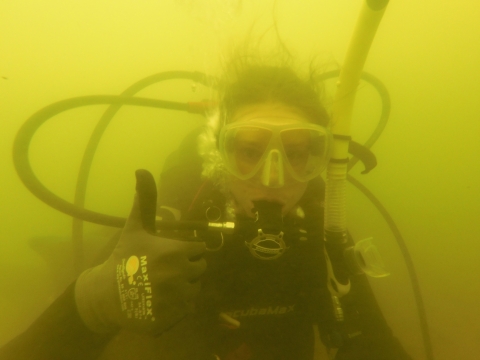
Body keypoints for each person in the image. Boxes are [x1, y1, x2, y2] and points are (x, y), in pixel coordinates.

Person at [0, 56, 412, 360]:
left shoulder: (323, 241)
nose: (272, 177)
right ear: (220, 156)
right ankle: (55, 263)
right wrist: (90, 305)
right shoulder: (171, 222)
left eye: (297, 153)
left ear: (321, 161)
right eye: (250, 151)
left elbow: (378, 348)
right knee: (71, 275)